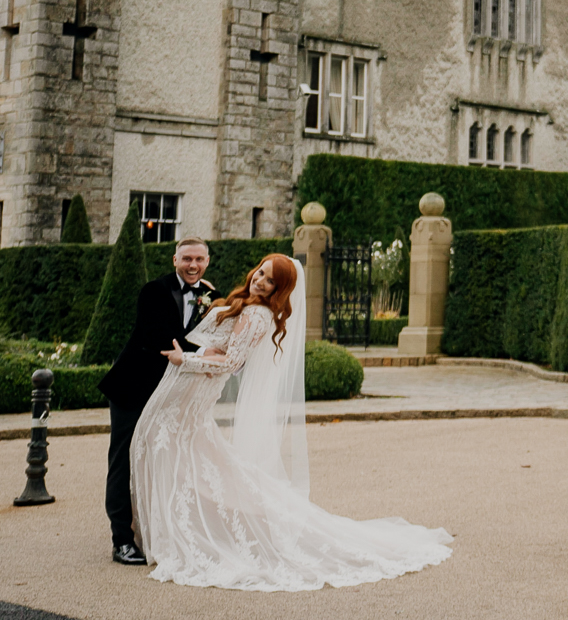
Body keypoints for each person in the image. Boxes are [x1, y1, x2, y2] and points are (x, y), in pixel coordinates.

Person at [131, 253, 453, 590]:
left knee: (188, 458)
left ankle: (194, 530)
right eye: (260, 272)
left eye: (270, 280)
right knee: (193, 460)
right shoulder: (250, 304)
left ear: (279, 289)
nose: (260, 280)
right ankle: (183, 525)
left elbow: (231, 362)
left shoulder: (257, 314)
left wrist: (188, 360)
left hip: (194, 391)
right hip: (192, 394)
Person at [101, 237, 216, 567]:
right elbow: (162, 338)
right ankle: (121, 539)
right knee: (123, 460)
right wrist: (205, 354)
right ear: (174, 260)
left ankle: (159, 529)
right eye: (187, 259)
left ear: (207, 261)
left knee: (166, 460)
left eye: (199, 259)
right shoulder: (154, 290)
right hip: (133, 388)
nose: (193, 265)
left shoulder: (210, 297)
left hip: (172, 394)